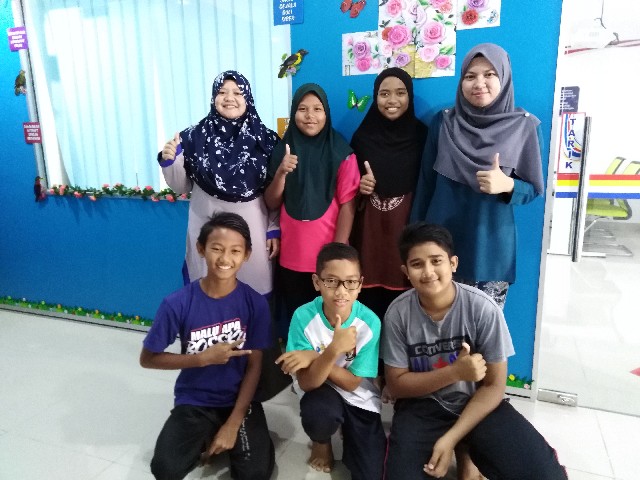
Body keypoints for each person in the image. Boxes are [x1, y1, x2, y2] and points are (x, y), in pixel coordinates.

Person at [382, 222, 568, 480]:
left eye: (436, 261)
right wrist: (454, 373)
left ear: (453, 263)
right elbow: (397, 385)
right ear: (406, 272)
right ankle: (464, 452)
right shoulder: (398, 313)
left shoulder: (483, 308)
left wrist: (450, 438)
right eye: (417, 264)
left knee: (546, 476)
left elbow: (494, 386)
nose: (428, 272)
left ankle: (465, 449)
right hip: (422, 407)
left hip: (479, 405)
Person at [140, 212, 275, 480]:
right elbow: (148, 358)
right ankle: (208, 435)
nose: (225, 259)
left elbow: (254, 366)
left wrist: (234, 423)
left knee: (254, 474)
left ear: (246, 255)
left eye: (235, 251)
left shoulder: (255, 303)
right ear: (201, 249)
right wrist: (201, 359)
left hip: (240, 401)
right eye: (216, 248)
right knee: (165, 469)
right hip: (195, 400)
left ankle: (228, 434)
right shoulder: (177, 303)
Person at [411, 43, 544, 309]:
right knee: (438, 325)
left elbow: (533, 188)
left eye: (489, 74)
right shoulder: (444, 122)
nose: (479, 83)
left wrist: (508, 185)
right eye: (470, 76)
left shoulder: (524, 126)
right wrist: (414, 240)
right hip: (440, 248)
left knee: (484, 329)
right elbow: (425, 183)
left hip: (490, 250)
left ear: (504, 78)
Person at [159, 70, 280, 296]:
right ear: (214, 97)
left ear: (248, 98)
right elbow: (181, 186)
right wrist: (170, 161)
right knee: (208, 289)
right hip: (206, 222)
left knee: (252, 293)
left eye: (237, 92)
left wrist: (274, 227)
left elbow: (275, 190)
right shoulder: (193, 137)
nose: (229, 98)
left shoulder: (266, 140)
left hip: (252, 227)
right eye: (222, 92)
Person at [275, 242, 386, 479]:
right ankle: (321, 441)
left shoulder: (370, 322)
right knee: (319, 415)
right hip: (320, 388)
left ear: (360, 284)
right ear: (317, 282)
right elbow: (307, 383)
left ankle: (349, 428)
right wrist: (333, 349)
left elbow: (353, 383)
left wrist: (317, 356)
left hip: (357, 394)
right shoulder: (303, 316)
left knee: (371, 472)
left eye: (350, 282)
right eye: (331, 281)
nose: (341, 291)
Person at [265, 83, 360, 338]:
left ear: (326, 113)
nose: (310, 116)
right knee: (299, 320)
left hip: (327, 256)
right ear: (293, 112)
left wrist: (337, 252)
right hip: (292, 256)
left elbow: (348, 204)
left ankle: (330, 361)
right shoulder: (282, 150)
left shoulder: (341, 152)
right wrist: (282, 172)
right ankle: (301, 361)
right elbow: (272, 202)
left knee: (330, 321)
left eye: (317, 109)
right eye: (303, 109)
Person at [350, 67, 428, 321]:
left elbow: (430, 184)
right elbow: (345, 188)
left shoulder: (423, 137)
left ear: (410, 96)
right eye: (384, 94)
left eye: (400, 93)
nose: (392, 100)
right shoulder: (362, 137)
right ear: (375, 97)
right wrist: (360, 187)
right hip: (370, 235)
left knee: (408, 311)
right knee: (369, 310)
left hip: (407, 230)